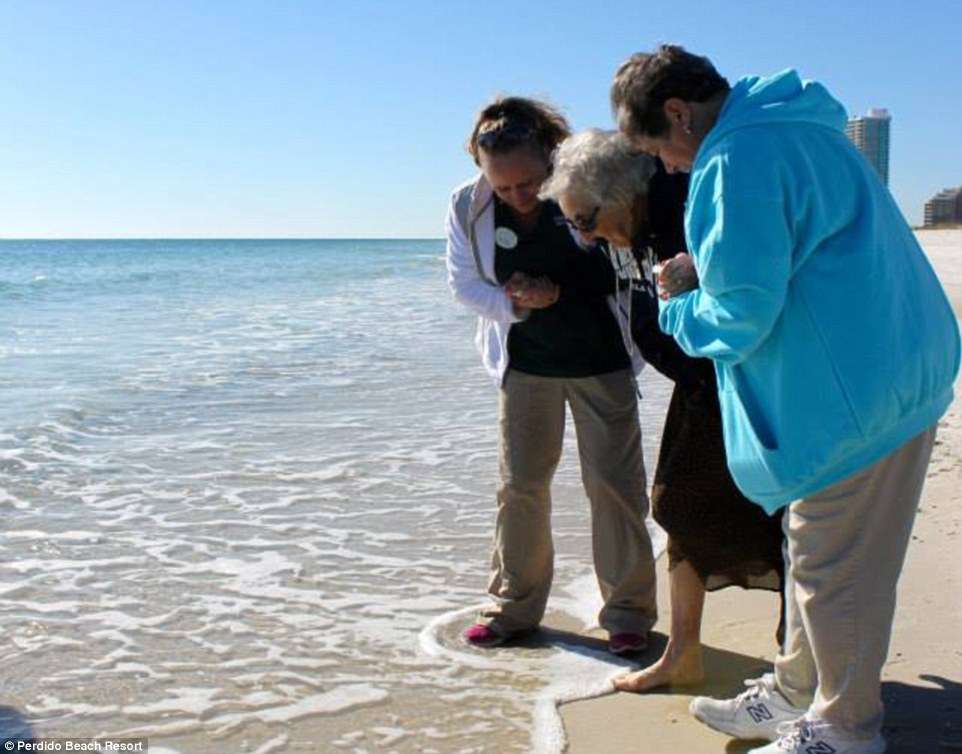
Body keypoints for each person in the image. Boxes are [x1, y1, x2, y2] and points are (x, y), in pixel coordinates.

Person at [611, 45, 961, 754]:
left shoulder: (739, 159)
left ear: (679, 114)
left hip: (850, 403)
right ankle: (796, 691)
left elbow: (739, 316)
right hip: (887, 369)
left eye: (657, 149)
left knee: (836, 572)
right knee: (815, 556)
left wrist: (677, 300)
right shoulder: (800, 127)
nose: (667, 168)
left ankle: (845, 729)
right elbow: (797, 255)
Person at [540, 129, 785, 693]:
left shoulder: (685, 204)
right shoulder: (616, 230)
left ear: (623, 191)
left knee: (780, 519)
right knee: (676, 506)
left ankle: (795, 664)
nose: (584, 234)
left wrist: (698, 271)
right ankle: (683, 652)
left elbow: (756, 269)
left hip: (746, 377)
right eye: (574, 222)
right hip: (695, 385)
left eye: (584, 219)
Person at [444, 97, 658, 654]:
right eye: (504, 186)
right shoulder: (467, 206)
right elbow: (464, 284)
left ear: (550, 158)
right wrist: (515, 303)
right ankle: (512, 607)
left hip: (601, 358)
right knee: (520, 488)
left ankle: (628, 613)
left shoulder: (586, 181)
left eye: (530, 183)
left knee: (614, 488)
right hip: (526, 365)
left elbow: (626, 259)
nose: (517, 196)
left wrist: (561, 291)